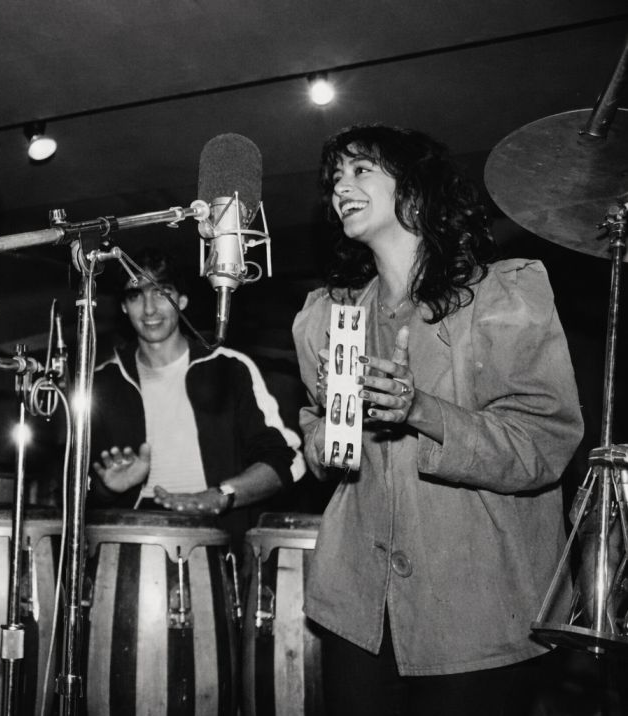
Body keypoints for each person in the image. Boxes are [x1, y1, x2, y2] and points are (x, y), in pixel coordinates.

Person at [291, 124, 584, 715]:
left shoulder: (502, 297)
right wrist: (324, 437)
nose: (340, 187)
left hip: (478, 612)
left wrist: (421, 409)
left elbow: (542, 444)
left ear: (415, 189)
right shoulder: (330, 317)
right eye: (335, 178)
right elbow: (320, 430)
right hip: (358, 612)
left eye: (361, 170)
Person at [88, 247, 304, 541]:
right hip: (130, 541)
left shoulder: (229, 367)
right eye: (136, 296)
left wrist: (221, 496)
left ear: (182, 300)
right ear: (124, 307)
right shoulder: (104, 383)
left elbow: (286, 461)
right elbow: (79, 487)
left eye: (161, 293)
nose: (149, 309)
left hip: (218, 537)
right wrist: (107, 488)